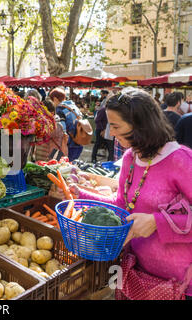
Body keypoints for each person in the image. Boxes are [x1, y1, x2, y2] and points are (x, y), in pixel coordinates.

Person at [66, 88, 192, 300]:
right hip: (137, 273)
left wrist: (157, 221)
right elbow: (121, 207)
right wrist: (80, 194)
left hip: (180, 284)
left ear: (141, 124)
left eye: (115, 126)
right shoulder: (129, 159)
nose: (111, 133)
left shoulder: (181, 160)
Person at [52, 88, 88, 161]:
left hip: (69, 145)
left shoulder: (60, 109)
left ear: (55, 99)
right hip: (79, 142)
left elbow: (62, 129)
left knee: (62, 167)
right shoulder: (73, 106)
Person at [91, 91, 114, 162]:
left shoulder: (110, 110)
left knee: (109, 146)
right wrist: (103, 130)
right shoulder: (103, 110)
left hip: (107, 130)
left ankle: (110, 160)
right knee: (97, 144)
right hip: (100, 130)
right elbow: (97, 120)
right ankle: (93, 158)